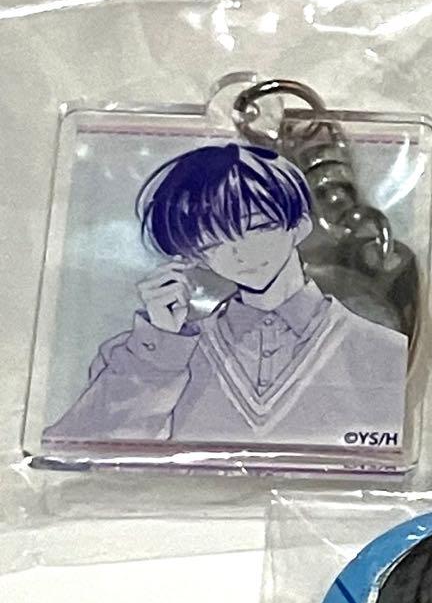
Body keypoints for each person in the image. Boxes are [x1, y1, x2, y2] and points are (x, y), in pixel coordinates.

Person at [43, 142, 407, 449]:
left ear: (299, 226)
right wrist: (161, 347)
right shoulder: (148, 355)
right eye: (213, 242)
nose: (239, 253)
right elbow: (78, 450)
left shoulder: (382, 350)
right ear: (196, 256)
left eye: (256, 229)